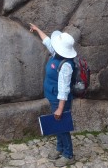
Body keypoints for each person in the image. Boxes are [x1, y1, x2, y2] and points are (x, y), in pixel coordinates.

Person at [29, 23, 76, 167]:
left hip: (60, 100)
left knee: (62, 125)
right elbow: (48, 41)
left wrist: (60, 108)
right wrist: (37, 29)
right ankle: (60, 148)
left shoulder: (66, 65)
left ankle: (68, 154)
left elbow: (64, 89)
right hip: (53, 97)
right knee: (58, 125)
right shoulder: (57, 54)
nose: (53, 45)